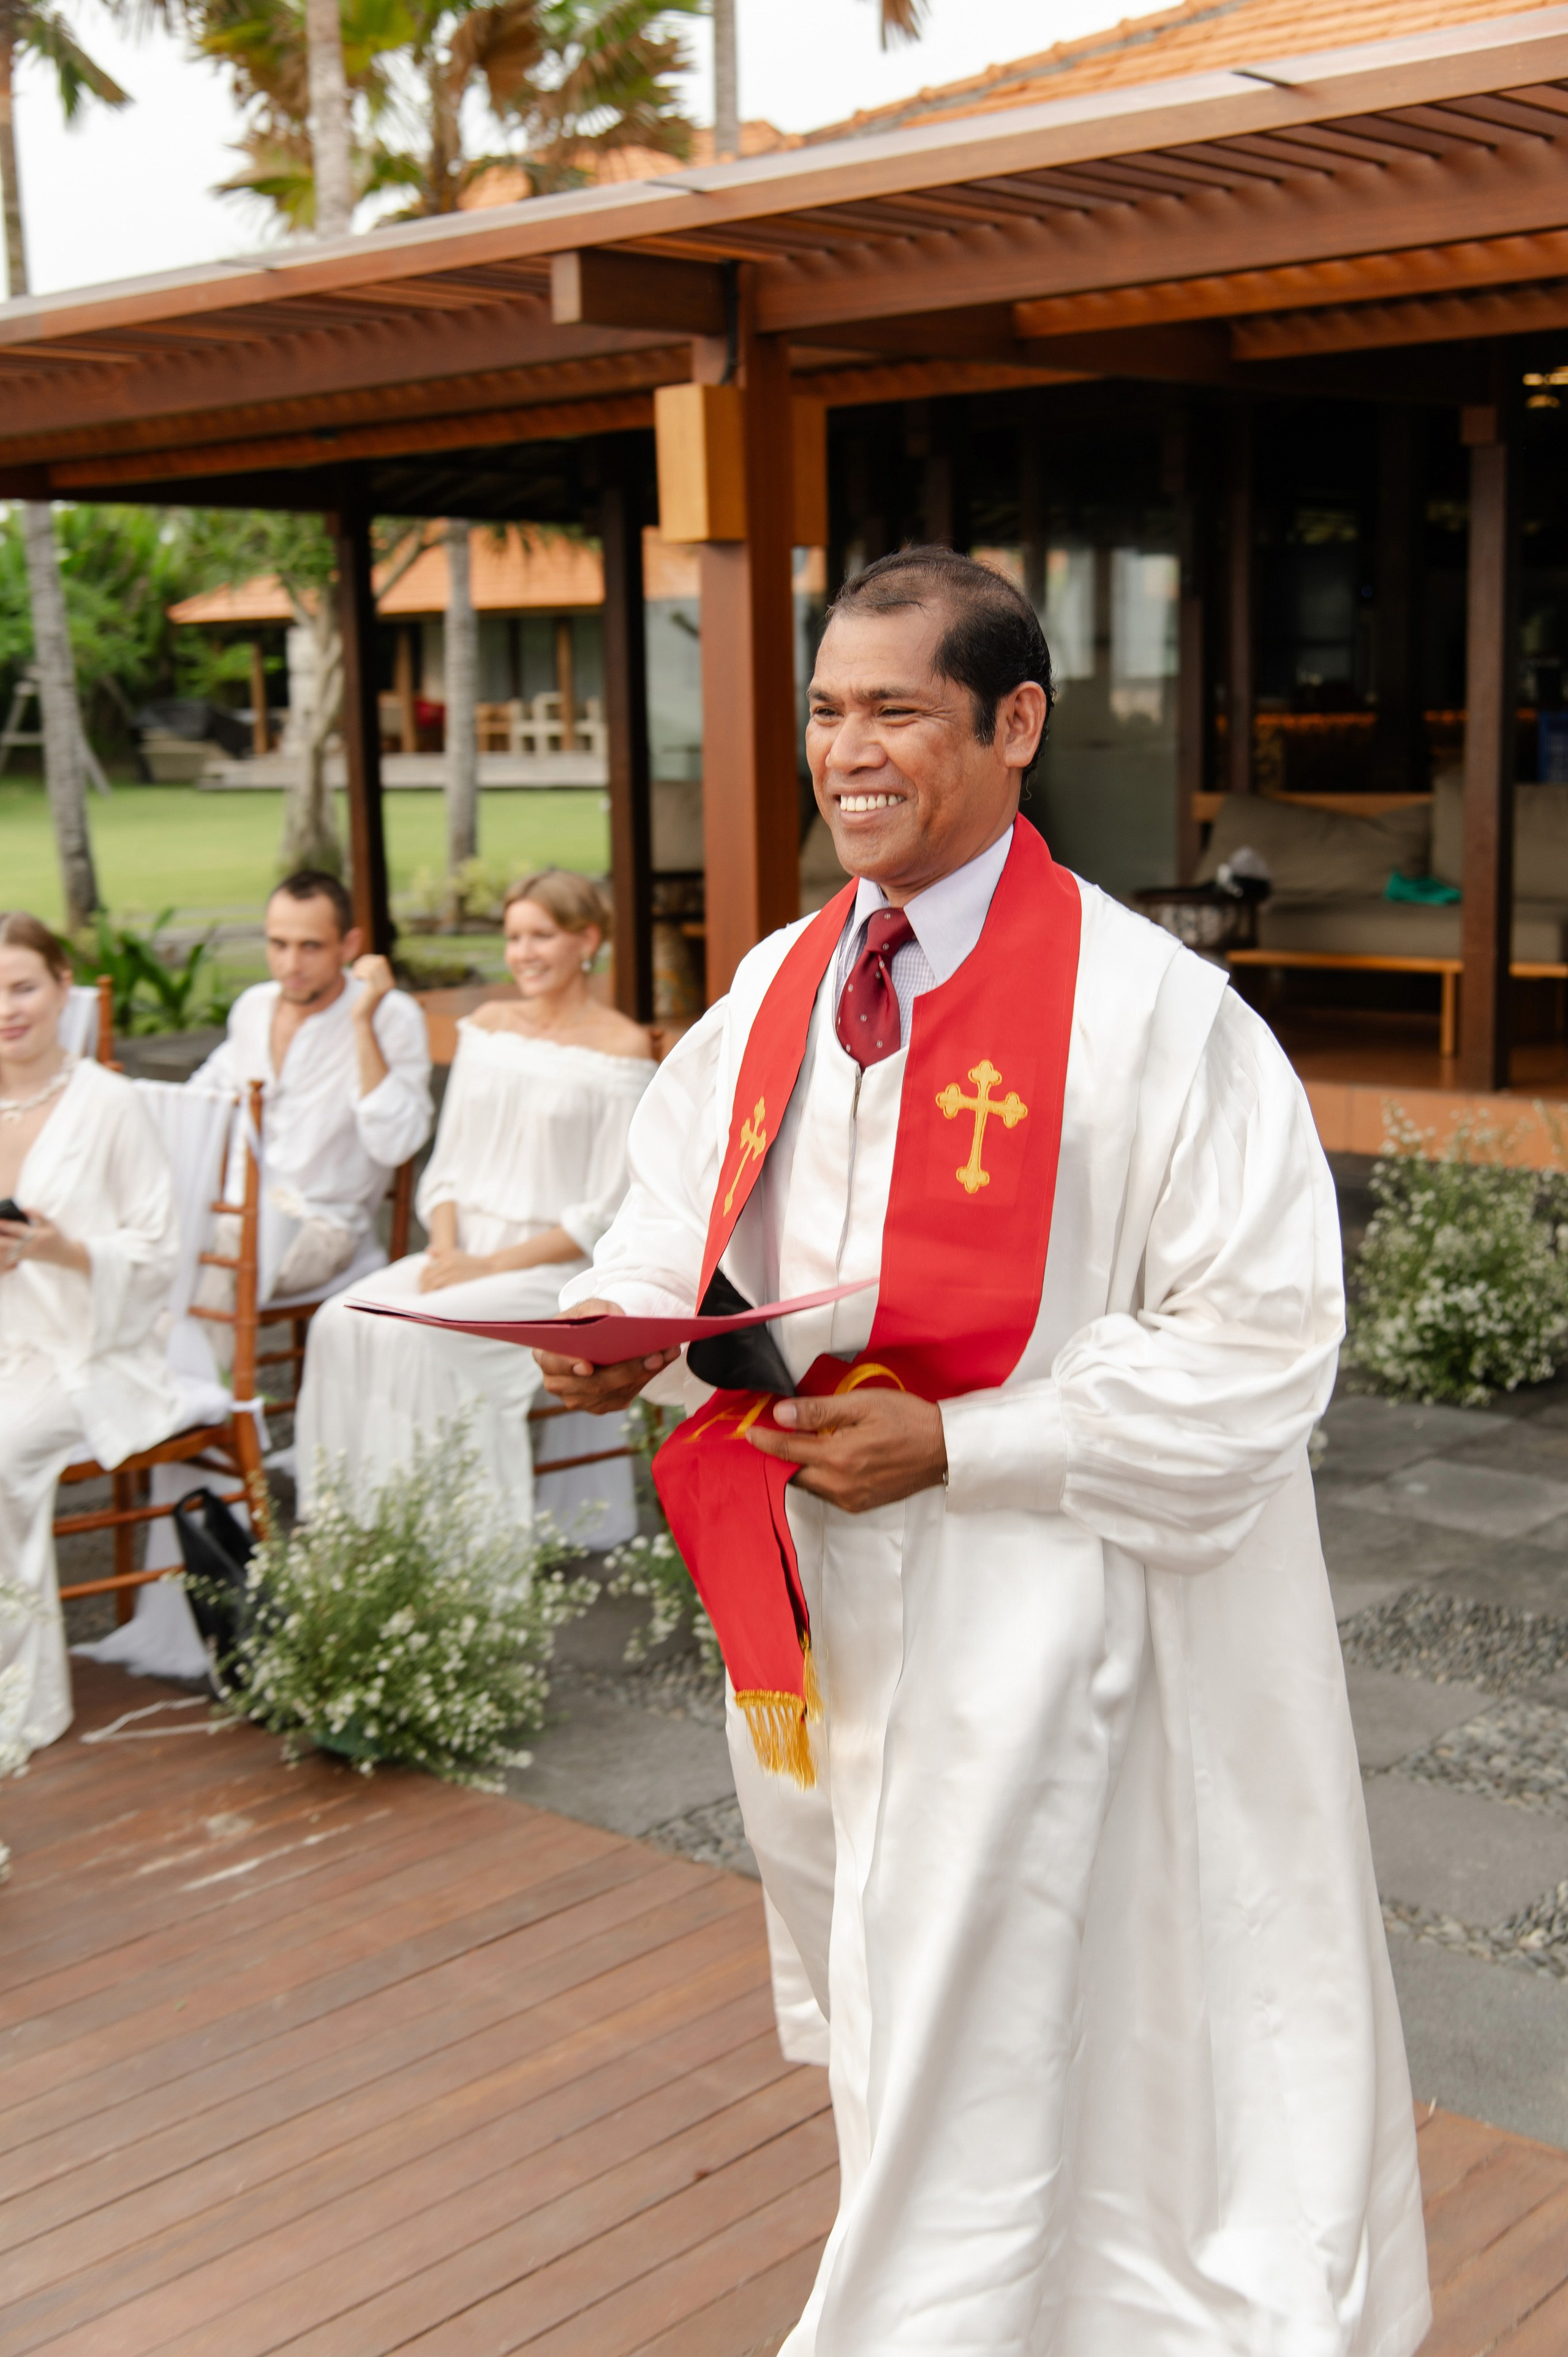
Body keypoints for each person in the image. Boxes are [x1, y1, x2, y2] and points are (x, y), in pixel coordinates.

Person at [538, 549, 1430, 2356]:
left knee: (999, 2003)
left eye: (896, 710)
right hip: (821, 1595)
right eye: (824, 710)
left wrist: (969, 1440)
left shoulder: (1151, 1015)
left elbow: (1259, 1346)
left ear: (1016, 723)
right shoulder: (783, 981)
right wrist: (605, 1325)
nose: (844, 751)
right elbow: (668, 1212)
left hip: (1044, 1600)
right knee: (911, 2007)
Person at [296, 870, 654, 1535]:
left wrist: (487, 1268)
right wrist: (447, 1252)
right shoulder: (487, 1027)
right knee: (337, 1320)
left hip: (552, 1271)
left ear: (587, 940)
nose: (523, 953)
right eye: (514, 937)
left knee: (415, 1336)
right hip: (458, 1251)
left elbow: (606, 1211)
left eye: (541, 935)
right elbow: (449, 1166)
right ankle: (353, 1533)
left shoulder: (621, 1046)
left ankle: (452, 1546)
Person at [0, 912, 181, 1759]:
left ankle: (19, 1691)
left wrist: (57, 1248)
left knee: (1, 1452)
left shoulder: (111, 1103)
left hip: (91, 1346)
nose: (7, 1009)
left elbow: (159, 1255)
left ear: (63, 985)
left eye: (23, 987)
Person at [190, 869, 432, 1327]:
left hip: (325, 1227)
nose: (291, 965)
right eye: (278, 944)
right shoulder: (254, 1008)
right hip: (234, 1213)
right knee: (154, 1237)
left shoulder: (391, 1017)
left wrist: (362, 1023)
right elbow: (200, 1098)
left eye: (311, 947)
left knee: (208, 1253)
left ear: (349, 944)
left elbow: (395, 1144)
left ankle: (201, 1375)